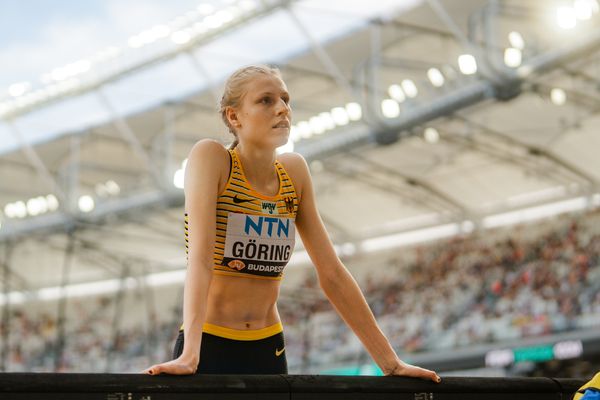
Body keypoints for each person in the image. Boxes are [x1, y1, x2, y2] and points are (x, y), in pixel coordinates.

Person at [142, 65, 441, 382]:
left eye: (285, 99)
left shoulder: (294, 171)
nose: (283, 108)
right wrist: (190, 354)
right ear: (234, 117)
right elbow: (200, 261)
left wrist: (390, 363)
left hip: (267, 347)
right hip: (209, 344)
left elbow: (332, 273)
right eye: (266, 101)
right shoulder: (212, 158)